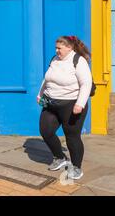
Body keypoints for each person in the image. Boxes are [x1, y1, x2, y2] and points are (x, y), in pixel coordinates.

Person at [37, 36, 93, 180]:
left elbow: (86, 84)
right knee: (46, 131)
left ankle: (76, 167)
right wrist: (40, 94)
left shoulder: (78, 61)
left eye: (59, 48)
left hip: (71, 104)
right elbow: (47, 78)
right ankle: (60, 158)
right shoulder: (54, 59)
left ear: (69, 48)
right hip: (50, 103)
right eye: (56, 48)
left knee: (72, 137)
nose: (56, 51)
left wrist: (80, 104)